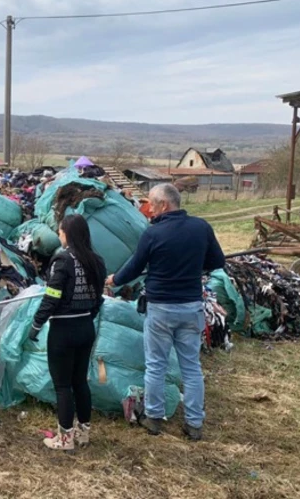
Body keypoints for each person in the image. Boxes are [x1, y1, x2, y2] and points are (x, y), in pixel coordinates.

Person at [107, 183, 225, 441]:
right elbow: (217, 261)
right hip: (191, 308)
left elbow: (135, 267)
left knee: (156, 365)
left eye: (151, 203)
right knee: (191, 367)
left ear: (163, 205)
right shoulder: (201, 228)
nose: (148, 209)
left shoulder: (153, 233)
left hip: (160, 309)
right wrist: (193, 266)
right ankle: (194, 424)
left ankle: (154, 418)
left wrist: (114, 280)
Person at [28, 214, 106, 451]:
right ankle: (83, 433)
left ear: (67, 234)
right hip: (85, 328)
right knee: (80, 381)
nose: (59, 235)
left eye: (60, 231)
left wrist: (36, 325)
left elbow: (51, 297)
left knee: (62, 386)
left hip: (63, 331)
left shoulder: (62, 261)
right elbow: (98, 298)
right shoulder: (97, 261)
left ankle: (65, 439)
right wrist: (87, 317)